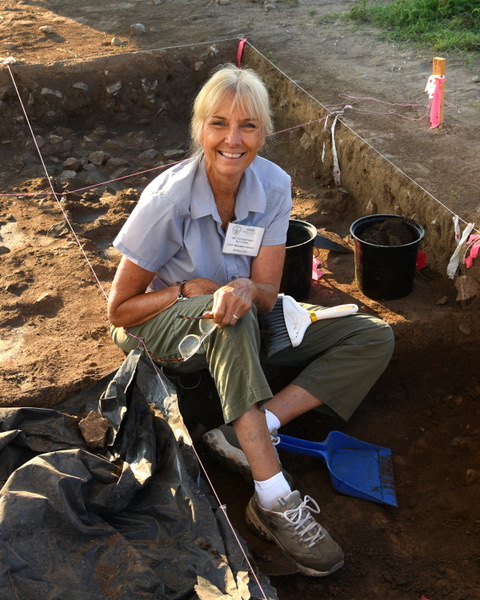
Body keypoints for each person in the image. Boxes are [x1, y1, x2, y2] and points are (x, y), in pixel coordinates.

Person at [107, 63, 394, 577]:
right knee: (229, 318)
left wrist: (246, 289)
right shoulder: (168, 198)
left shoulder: (274, 185)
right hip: (159, 321)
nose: (233, 140)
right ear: (200, 130)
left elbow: (264, 292)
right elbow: (119, 311)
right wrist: (185, 290)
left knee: (371, 335)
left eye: (249, 126)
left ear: (265, 131)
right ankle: (274, 497)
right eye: (219, 124)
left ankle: (253, 427)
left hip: (235, 316)